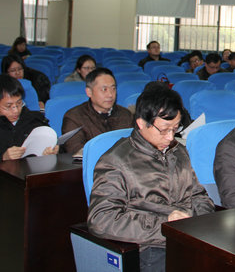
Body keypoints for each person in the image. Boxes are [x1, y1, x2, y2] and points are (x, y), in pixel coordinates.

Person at [87, 89, 214, 272]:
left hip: (188, 237)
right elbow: (101, 219)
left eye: (175, 128)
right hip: (151, 247)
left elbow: (199, 196)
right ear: (141, 123)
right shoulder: (116, 161)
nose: (170, 137)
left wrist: (199, 223)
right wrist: (165, 224)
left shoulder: (178, 151)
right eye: (164, 130)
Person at [0, 75, 58, 213]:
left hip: (38, 186)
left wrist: (52, 155)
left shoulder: (35, 121)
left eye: (19, 104)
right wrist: (2, 160)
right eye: (8, 106)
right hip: (2, 194)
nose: (16, 110)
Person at [61, 68, 134, 156]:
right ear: (89, 92)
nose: (110, 95)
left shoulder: (126, 115)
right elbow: (76, 151)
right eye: (104, 89)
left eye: (113, 89)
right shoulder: (74, 117)